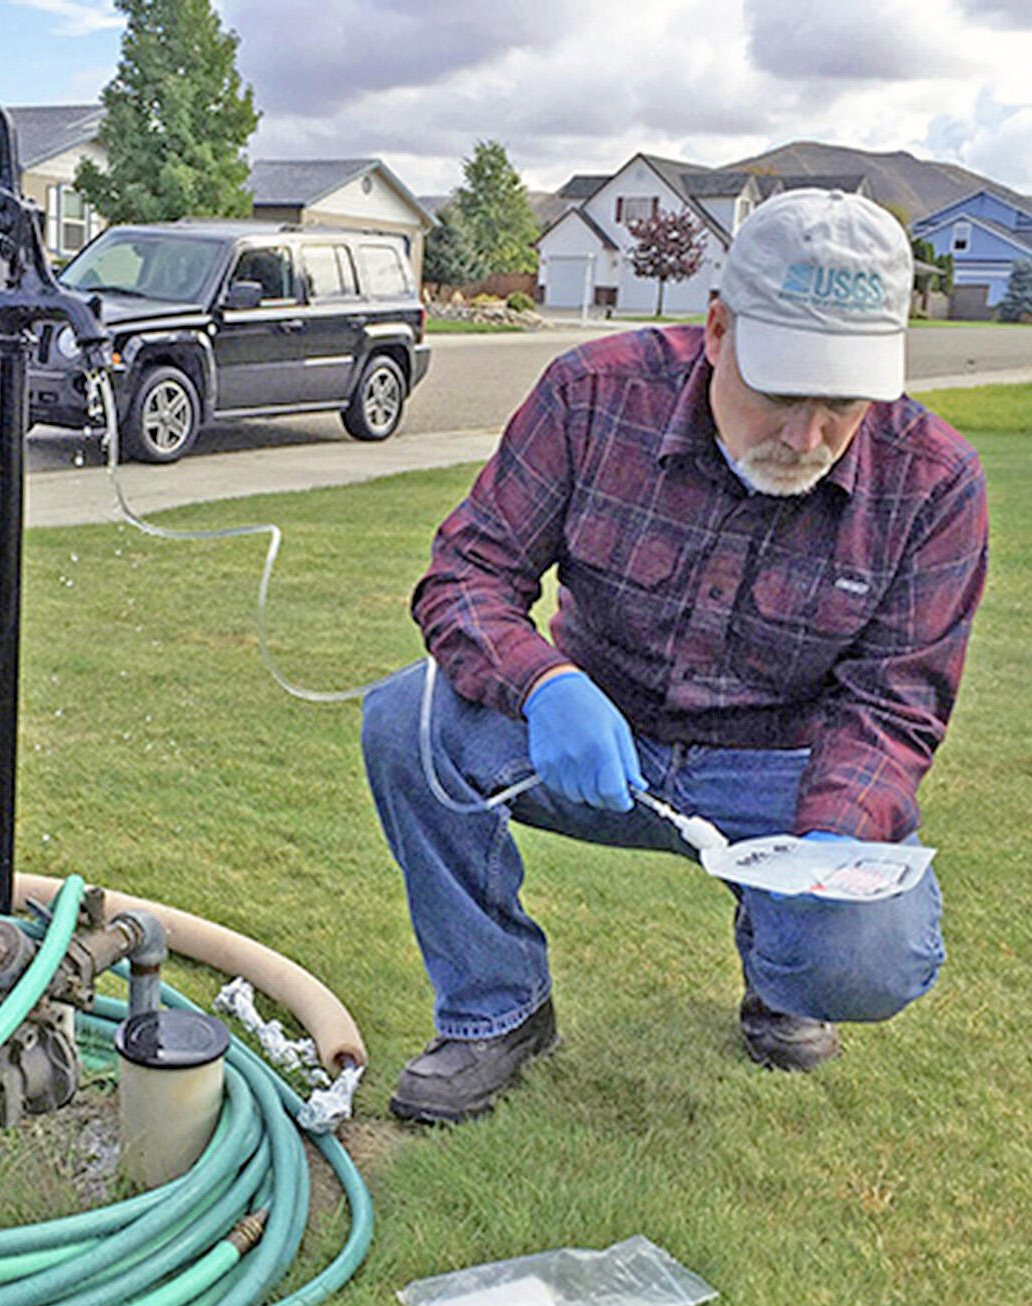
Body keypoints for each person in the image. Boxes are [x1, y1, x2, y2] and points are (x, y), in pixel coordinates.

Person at [362, 189, 988, 1124]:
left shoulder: (933, 480)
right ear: (717, 331)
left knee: (868, 955)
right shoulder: (591, 394)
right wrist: (544, 685)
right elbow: (467, 572)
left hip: (781, 775)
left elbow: (894, 701)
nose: (806, 438)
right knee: (403, 722)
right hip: (592, 741)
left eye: (841, 403)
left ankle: (784, 975)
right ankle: (498, 1008)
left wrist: (829, 848)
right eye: (781, 393)